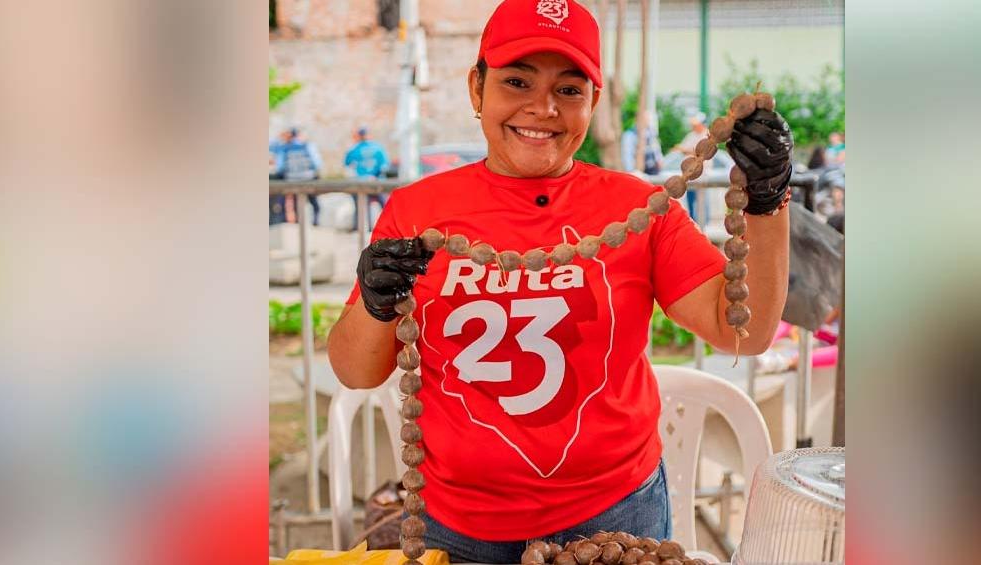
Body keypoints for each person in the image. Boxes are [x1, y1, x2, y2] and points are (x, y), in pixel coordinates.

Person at [327, 1, 792, 561]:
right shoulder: (415, 210)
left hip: (617, 514)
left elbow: (744, 331)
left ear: (593, 102)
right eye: (517, 80)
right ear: (476, 89)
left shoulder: (639, 208)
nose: (542, 108)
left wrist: (768, 200)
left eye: (570, 90)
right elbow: (355, 370)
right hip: (458, 525)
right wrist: (376, 302)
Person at [269, 128, 324, 225]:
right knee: (313, 201)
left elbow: (280, 167)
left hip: (292, 180)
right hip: (309, 178)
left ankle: (298, 223)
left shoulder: (284, 148)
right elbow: (317, 163)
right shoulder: (307, 146)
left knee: (296, 203)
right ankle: (316, 221)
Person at [344, 126, 391, 229]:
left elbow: (347, 163)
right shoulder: (378, 148)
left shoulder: (355, 148)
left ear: (359, 136)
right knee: (386, 207)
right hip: (377, 182)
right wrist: (374, 175)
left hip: (362, 182)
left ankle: (365, 228)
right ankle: (389, 227)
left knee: (363, 206)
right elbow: (385, 166)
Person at [672, 113, 710, 224]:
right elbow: (683, 148)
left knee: (702, 202)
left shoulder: (707, 136)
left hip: (702, 174)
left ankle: (703, 224)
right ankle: (693, 222)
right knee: (691, 200)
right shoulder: (691, 135)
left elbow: (701, 152)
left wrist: (685, 150)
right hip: (690, 174)